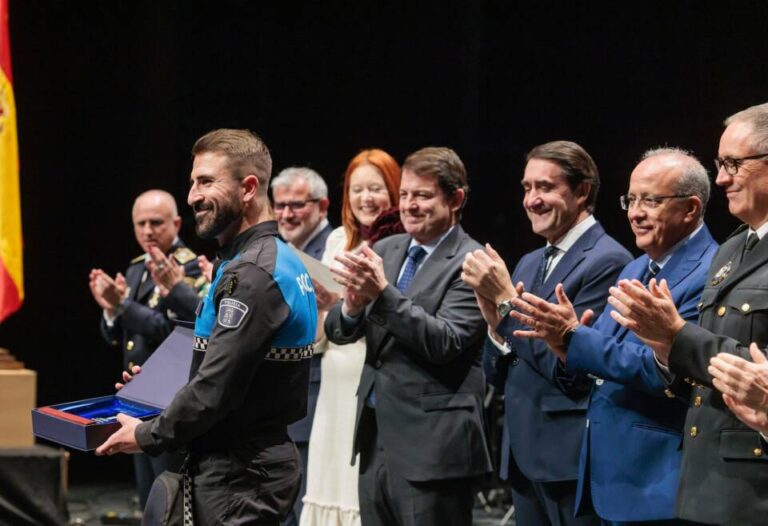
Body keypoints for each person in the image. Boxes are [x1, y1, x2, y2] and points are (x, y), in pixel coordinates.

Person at [96, 129, 318, 525]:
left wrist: (147, 435)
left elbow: (218, 387)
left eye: (207, 182)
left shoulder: (252, 273)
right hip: (240, 466)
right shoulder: (264, 260)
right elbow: (236, 364)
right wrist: (158, 386)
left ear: (248, 188)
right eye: (192, 181)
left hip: (240, 475)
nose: (193, 195)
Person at [507, 148, 718, 524]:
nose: (635, 213)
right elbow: (593, 359)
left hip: (654, 479)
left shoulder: (709, 272)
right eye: (631, 199)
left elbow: (665, 369)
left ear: (690, 209)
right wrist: (563, 341)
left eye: (651, 200)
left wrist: (572, 337)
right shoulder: (637, 268)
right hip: (608, 476)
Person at [608, 102, 768, 525]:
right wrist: (664, 347)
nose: (721, 178)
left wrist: (677, 335)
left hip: (753, 487)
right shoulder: (733, 249)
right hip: (703, 479)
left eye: (734, 163)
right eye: (720, 163)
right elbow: (696, 378)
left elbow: (757, 369)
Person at [462, 140, 631, 526]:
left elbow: (575, 371)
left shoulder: (609, 260)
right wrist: (493, 325)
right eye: (527, 188)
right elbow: (498, 372)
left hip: (570, 460)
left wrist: (505, 305)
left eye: (545, 187)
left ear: (582, 191)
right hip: (523, 458)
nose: (532, 200)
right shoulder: (528, 261)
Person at [325, 147, 492, 526]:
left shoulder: (472, 261)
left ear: (456, 199)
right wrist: (351, 306)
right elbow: (339, 329)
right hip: (375, 435)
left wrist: (382, 294)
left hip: (433, 447)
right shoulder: (386, 248)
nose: (409, 205)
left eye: (423, 196)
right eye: (404, 195)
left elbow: (444, 341)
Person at [300, 148, 401, 526]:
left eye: (375, 188)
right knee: (329, 479)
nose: (365, 198)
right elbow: (320, 332)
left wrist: (349, 304)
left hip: (373, 371)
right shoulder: (337, 241)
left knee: (362, 486)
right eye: (357, 190)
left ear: (394, 190)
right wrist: (325, 306)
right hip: (334, 374)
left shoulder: (402, 244)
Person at [88, 189, 203, 509]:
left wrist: (123, 306)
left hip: (169, 397)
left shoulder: (189, 268)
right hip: (135, 395)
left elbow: (174, 332)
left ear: (177, 223)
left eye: (156, 222)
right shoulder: (138, 267)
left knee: (171, 495)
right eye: (141, 224)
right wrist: (111, 311)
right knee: (148, 497)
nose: (148, 231)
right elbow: (119, 336)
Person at [271, 166, 333, 526]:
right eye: (279, 206)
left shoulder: (334, 247)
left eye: (296, 205)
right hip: (287, 404)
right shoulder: (284, 250)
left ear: (322, 206)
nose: (285, 214)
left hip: (318, 398)